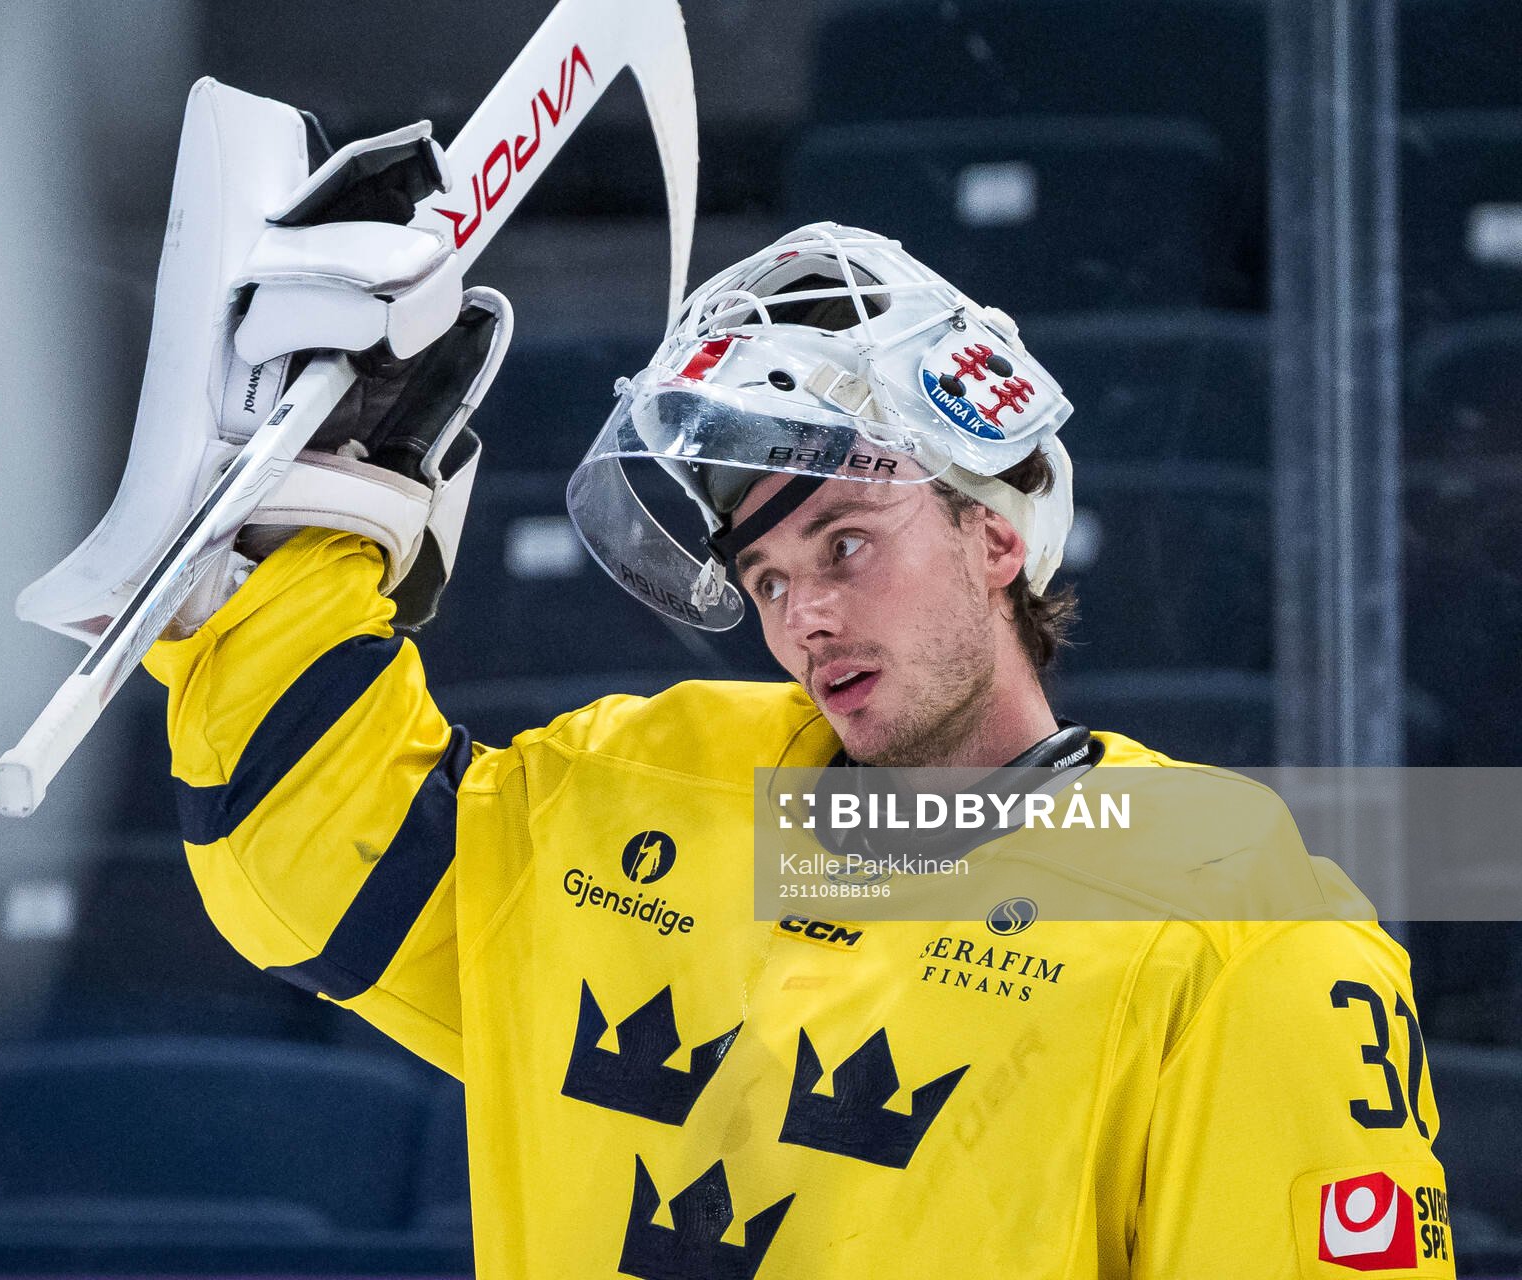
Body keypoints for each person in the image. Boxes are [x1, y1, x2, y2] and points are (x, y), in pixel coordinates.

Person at [95, 107, 1454, 1277]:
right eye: (764, 576)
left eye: (846, 545)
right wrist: (313, 520)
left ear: (996, 535)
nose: (802, 613)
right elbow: (308, 863)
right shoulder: (649, 796)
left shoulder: (1236, 929)